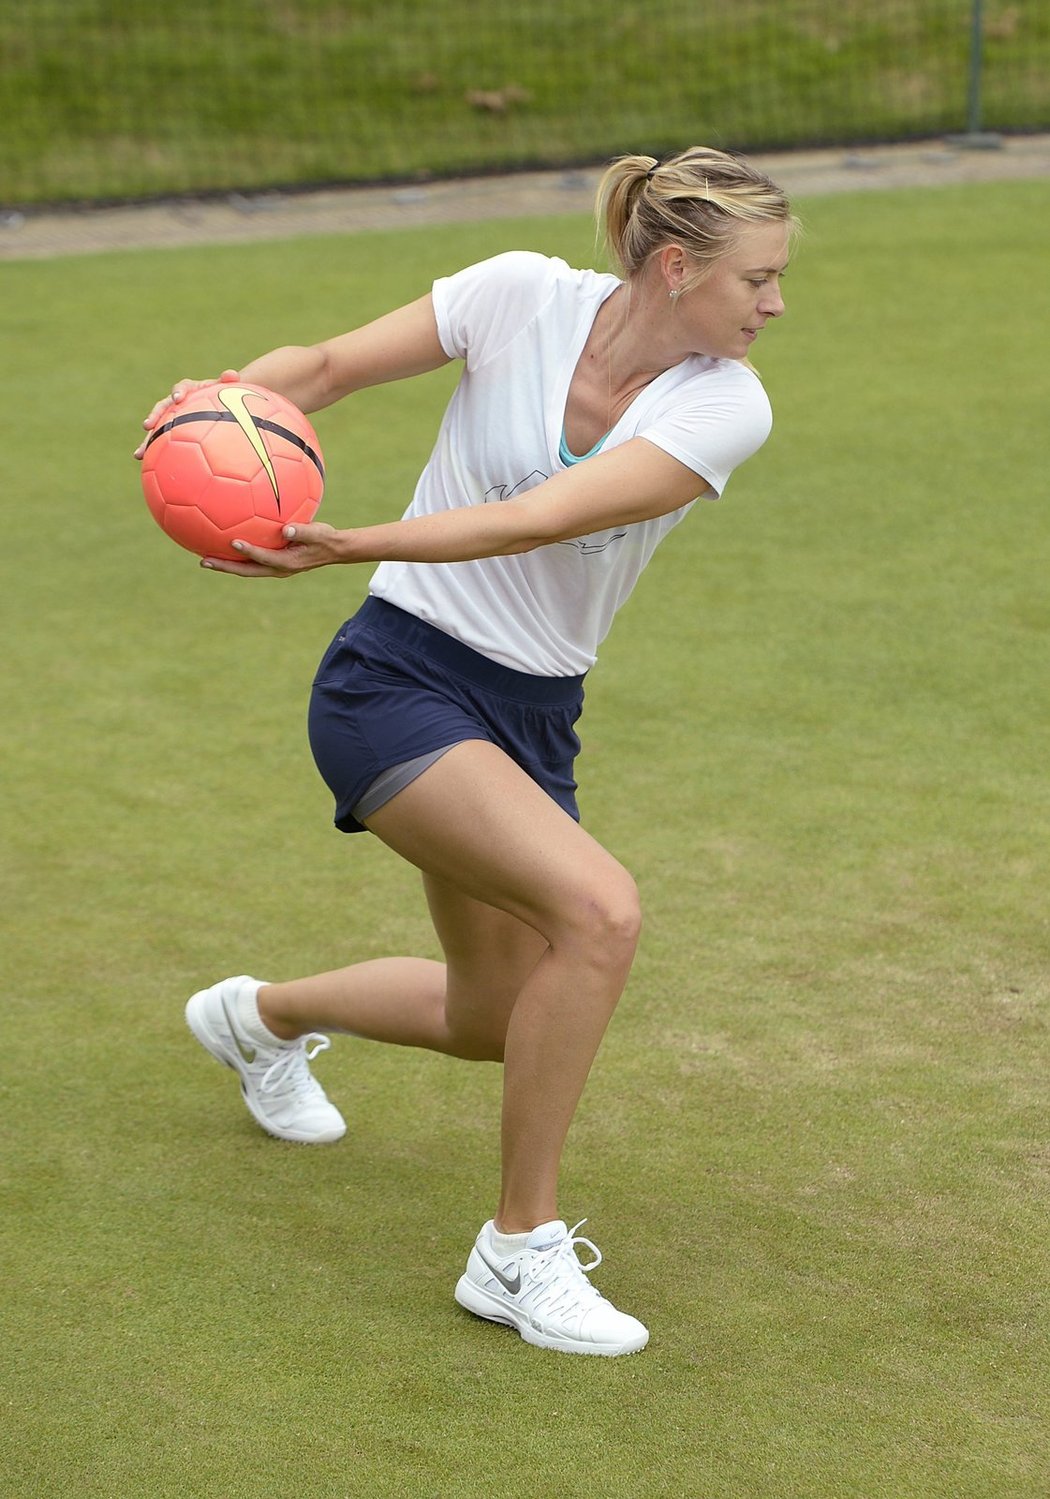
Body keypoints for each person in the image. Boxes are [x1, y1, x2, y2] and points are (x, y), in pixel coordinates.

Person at [136, 145, 794, 1357]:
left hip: (533, 713)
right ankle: (519, 1246)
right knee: (601, 914)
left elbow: (543, 513)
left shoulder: (721, 404)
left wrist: (345, 538)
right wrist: (222, 400)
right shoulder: (515, 295)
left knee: (494, 1012)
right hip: (396, 678)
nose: (774, 303)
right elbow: (325, 369)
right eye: (756, 277)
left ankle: (259, 1019)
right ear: (673, 267)